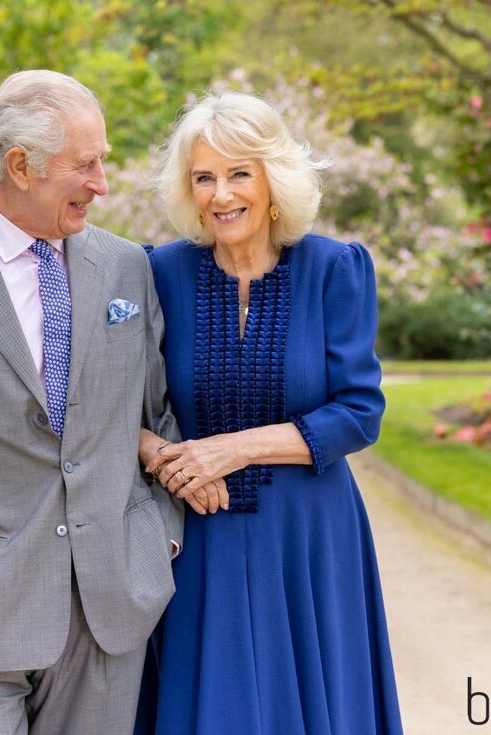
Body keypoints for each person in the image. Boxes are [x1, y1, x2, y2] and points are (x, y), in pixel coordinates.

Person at [0, 70, 226, 735]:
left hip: (106, 604)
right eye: (85, 164)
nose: (103, 183)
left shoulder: (125, 268)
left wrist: (156, 537)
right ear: (20, 166)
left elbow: (156, 412)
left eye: (103, 161)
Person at [135, 91, 403, 734]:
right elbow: (113, 403)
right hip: (200, 533)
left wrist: (235, 447)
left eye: (238, 174)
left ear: (272, 180)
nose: (221, 194)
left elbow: (360, 412)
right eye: (204, 177)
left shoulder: (336, 268)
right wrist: (163, 458)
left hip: (311, 537)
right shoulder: (155, 273)